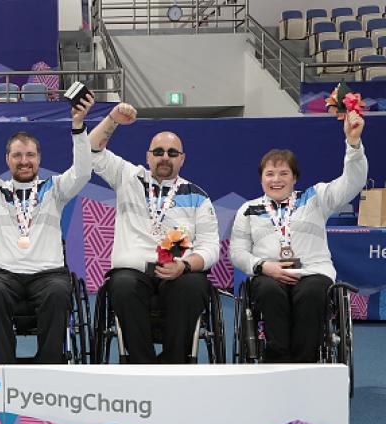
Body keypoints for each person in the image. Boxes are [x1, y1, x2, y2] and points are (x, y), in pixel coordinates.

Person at [0, 94, 94, 364]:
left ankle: (49, 367)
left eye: (30, 155)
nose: (24, 161)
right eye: (17, 155)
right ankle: (3, 368)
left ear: (39, 159)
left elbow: (82, 172)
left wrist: (78, 126)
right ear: (7, 159)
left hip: (47, 274)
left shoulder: (55, 189)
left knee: (58, 293)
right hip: (3, 274)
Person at [229, 111, 367, 363]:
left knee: (312, 293)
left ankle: (305, 363)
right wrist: (263, 266)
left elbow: (353, 182)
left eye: (283, 173)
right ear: (261, 179)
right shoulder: (248, 209)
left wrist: (353, 144)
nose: (276, 179)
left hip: (313, 272)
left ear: (294, 177)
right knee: (268, 291)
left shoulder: (315, 197)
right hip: (269, 273)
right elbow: (237, 252)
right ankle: (278, 360)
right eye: (269, 174)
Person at [88, 102, 220, 364]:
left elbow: (211, 247)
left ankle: (174, 365)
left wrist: (184, 265)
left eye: (172, 153)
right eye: (158, 152)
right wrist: (113, 119)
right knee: (122, 286)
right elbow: (91, 149)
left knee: (194, 286)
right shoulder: (128, 177)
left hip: (179, 272)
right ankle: (142, 366)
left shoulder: (198, 196)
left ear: (182, 158)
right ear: (148, 156)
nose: (165, 157)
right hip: (133, 272)